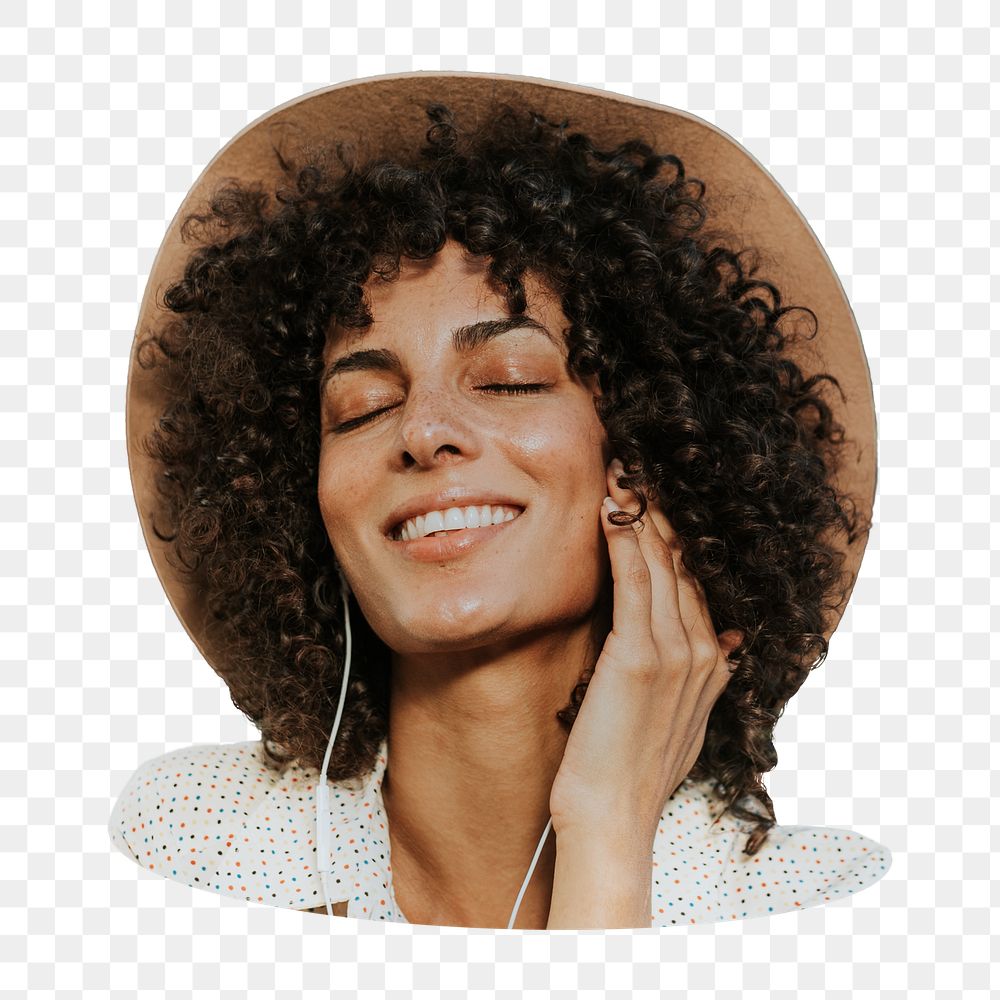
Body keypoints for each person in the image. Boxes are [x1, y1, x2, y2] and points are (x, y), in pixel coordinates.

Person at [109, 72, 891, 929]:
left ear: (650, 457)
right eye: (362, 408)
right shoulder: (188, 845)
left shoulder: (822, 913)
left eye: (511, 381)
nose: (424, 429)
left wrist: (607, 828)